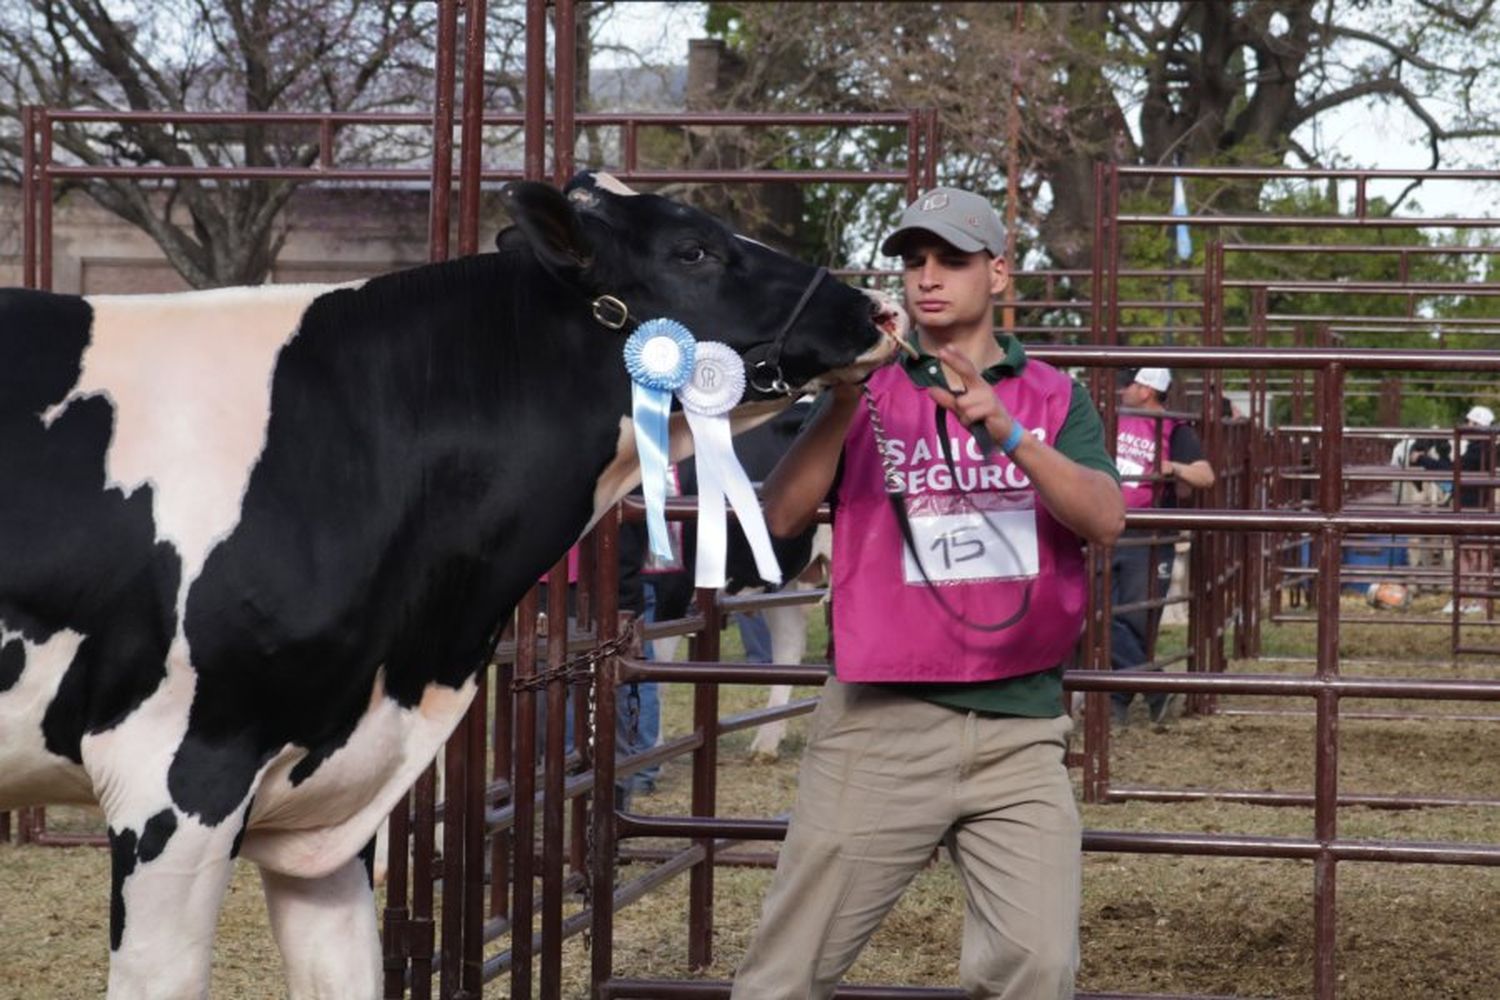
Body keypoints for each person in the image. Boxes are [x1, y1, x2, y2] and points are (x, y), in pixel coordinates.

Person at [730, 187, 1124, 999]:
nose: (927, 278)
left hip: (1020, 731)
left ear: (1000, 273)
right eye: (913, 263)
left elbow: (1104, 517)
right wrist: (844, 394)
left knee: (1039, 967)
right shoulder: (866, 390)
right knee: (787, 973)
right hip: (880, 724)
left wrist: (1006, 432)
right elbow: (779, 519)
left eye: (951, 260)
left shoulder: (1052, 395)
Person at [1110, 367, 1215, 725]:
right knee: (1101, 611)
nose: (1125, 391)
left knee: (1133, 618)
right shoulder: (1112, 421)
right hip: (1106, 523)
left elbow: (1205, 475)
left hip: (1148, 533)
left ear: (1148, 391)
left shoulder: (1175, 430)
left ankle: (1117, 703)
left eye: (1133, 385)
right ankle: (1154, 688)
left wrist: (1172, 468)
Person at [1413, 404, 1496, 614]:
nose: (1467, 426)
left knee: (1469, 553)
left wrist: (1423, 459)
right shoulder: (1484, 449)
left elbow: (1453, 471)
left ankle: (1468, 599)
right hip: (1477, 503)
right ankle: (1474, 599)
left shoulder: (1478, 451)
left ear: (1480, 426)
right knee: (1474, 552)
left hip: (1470, 505)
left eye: (1472, 423)